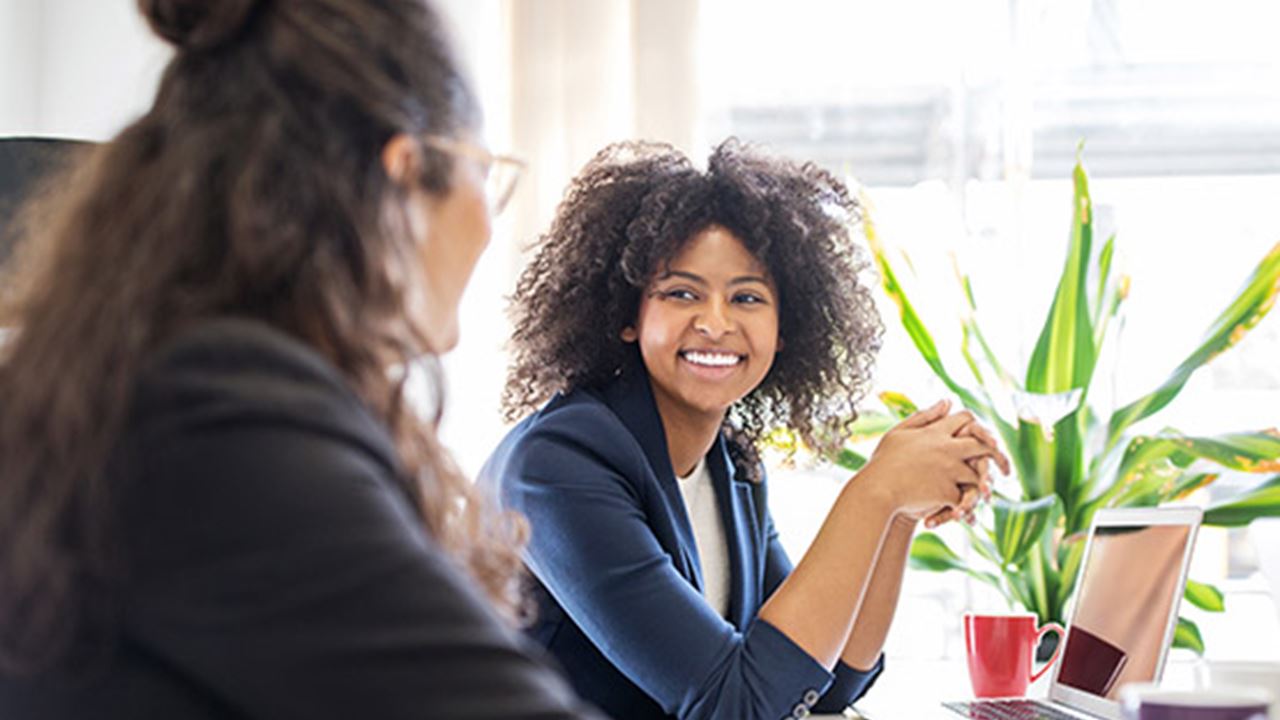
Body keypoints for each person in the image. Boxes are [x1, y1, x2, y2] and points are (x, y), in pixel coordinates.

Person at [0, 1, 602, 718]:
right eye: (485, 173)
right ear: (403, 178)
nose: (487, 220)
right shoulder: (220, 421)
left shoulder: (170, 378)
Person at [482, 139, 1011, 720]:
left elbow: (824, 682)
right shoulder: (558, 464)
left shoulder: (730, 463)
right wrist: (873, 491)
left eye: (748, 297)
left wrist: (899, 515)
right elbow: (734, 706)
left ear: (785, 330)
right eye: (682, 293)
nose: (715, 323)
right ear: (628, 317)